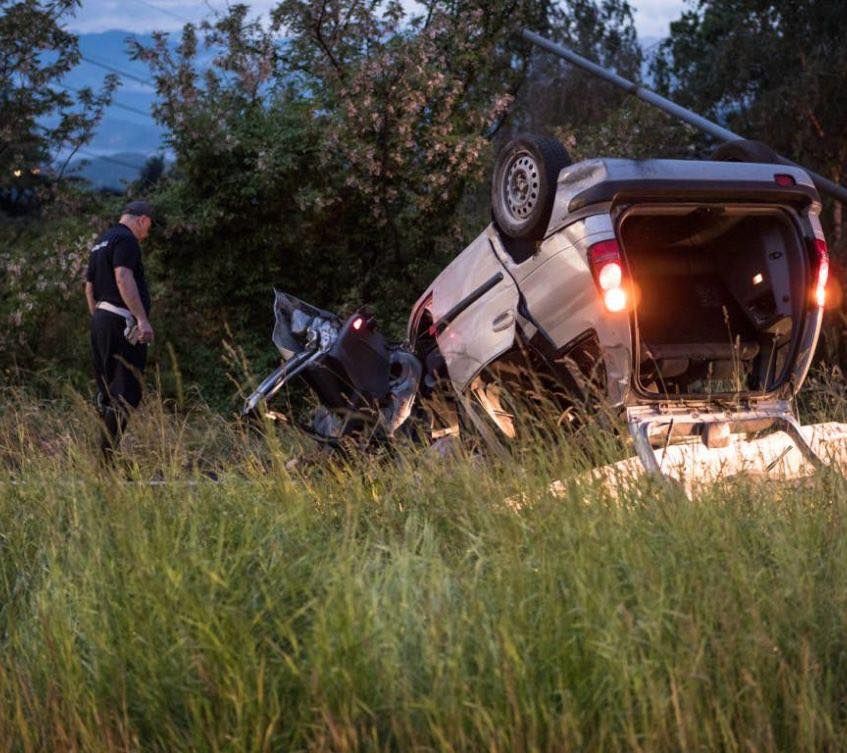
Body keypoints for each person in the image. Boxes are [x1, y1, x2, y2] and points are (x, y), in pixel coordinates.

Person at [84, 200, 155, 461]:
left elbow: (89, 289)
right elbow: (122, 277)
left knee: (108, 391)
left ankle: (106, 458)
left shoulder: (102, 241)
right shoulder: (126, 240)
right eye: (148, 227)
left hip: (101, 319)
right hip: (122, 321)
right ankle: (106, 461)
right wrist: (141, 319)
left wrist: (100, 320)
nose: (146, 234)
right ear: (142, 220)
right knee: (127, 393)